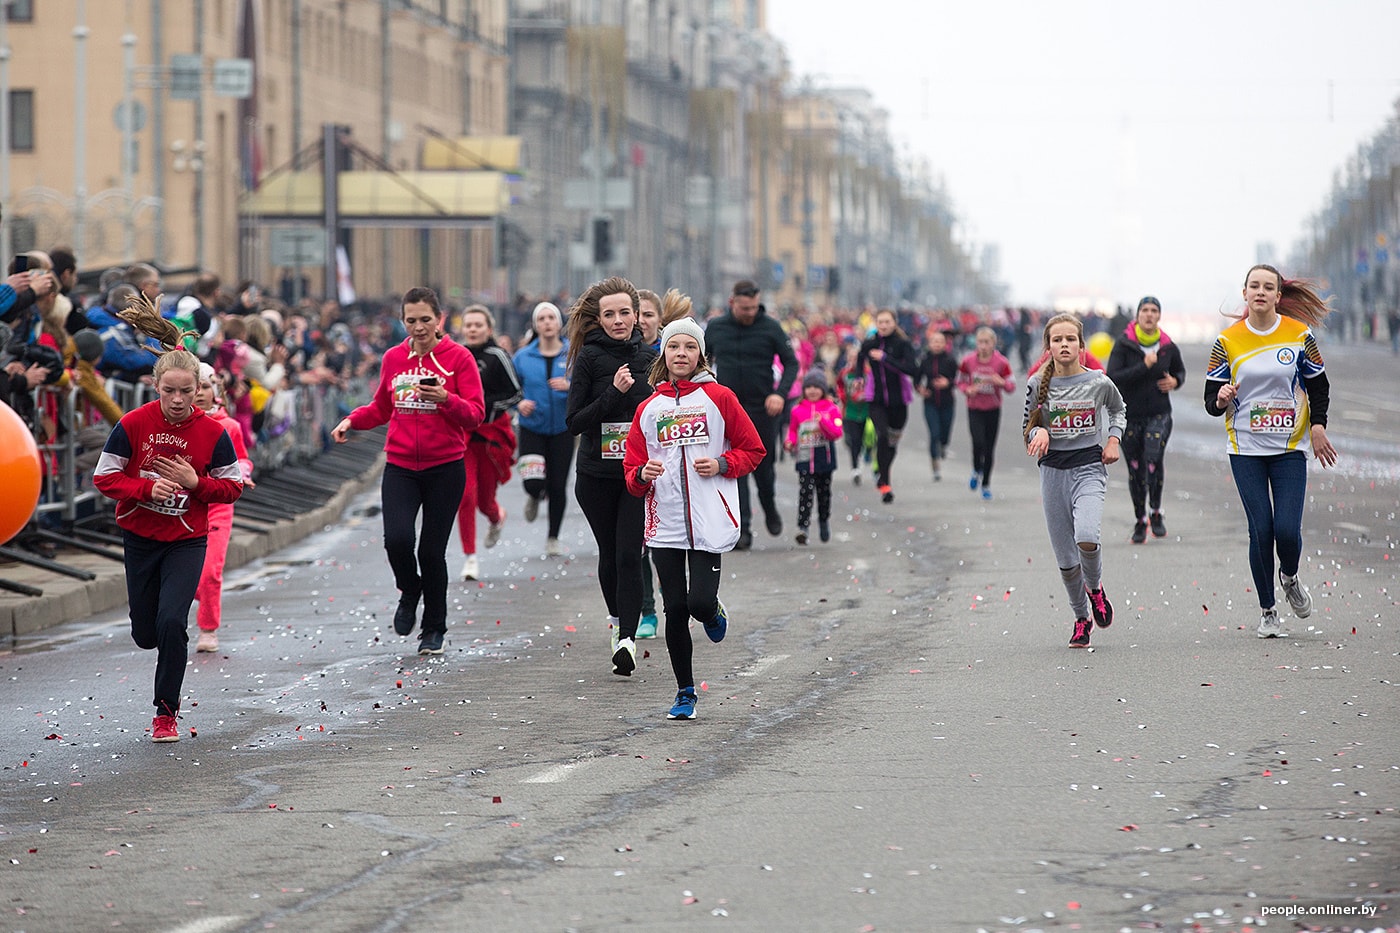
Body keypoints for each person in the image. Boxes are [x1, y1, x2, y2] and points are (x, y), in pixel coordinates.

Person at [92, 301, 244, 742]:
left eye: (186, 392)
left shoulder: (213, 433)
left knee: (172, 622)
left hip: (187, 540)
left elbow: (231, 488)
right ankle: (158, 640)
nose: (178, 401)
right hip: (140, 536)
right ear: (155, 387)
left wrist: (196, 483)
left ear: (199, 388)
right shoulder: (133, 423)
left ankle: (165, 713)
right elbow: (104, 477)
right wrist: (144, 489)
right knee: (145, 632)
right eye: (168, 392)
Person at [624, 303, 765, 719]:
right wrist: (643, 474)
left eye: (689, 347)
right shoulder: (649, 408)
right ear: (664, 355)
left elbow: (753, 449)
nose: (680, 353)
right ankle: (685, 692)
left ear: (700, 355)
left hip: (709, 518)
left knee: (699, 603)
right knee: (676, 609)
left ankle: (715, 610)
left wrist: (722, 464)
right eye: (673, 347)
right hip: (665, 520)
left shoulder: (720, 397)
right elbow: (632, 471)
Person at [332, 287, 485, 655]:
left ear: (440, 320)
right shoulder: (393, 358)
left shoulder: (458, 358)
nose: (418, 328)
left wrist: (446, 399)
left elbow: (476, 413)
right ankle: (409, 589)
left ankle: (434, 628)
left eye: (425, 320)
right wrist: (351, 421)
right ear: (403, 321)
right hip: (401, 466)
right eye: (411, 320)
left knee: (432, 552)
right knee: (397, 540)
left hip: (445, 467)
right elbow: (381, 407)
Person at [1204, 264, 1337, 639]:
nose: (1260, 292)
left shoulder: (1299, 335)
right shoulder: (1227, 341)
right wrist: (1221, 397)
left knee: (1287, 531)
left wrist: (1318, 427)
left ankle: (1290, 577)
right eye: (1254, 286)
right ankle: (1268, 611)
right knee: (1260, 529)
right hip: (1245, 447)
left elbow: (1319, 386)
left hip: (1289, 446)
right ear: (1245, 293)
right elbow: (1210, 402)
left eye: (1268, 287)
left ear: (1279, 295)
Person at [565, 277, 656, 676]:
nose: (618, 320)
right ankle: (619, 620)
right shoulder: (588, 358)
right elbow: (574, 421)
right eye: (609, 314)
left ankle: (627, 640)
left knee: (629, 554)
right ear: (598, 319)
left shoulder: (653, 358)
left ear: (636, 315)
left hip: (636, 474)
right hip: (596, 474)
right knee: (609, 553)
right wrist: (614, 394)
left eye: (624, 313)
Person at [1022, 313, 1126, 648]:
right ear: (1048, 346)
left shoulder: (1098, 381)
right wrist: (1038, 434)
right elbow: (1028, 427)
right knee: (1066, 559)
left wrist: (1113, 440)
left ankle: (1094, 589)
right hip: (1053, 472)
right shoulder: (1038, 384)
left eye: (1070, 339)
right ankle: (1081, 618)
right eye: (1057, 340)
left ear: (1081, 345)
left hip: (1088, 467)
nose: (1064, 345)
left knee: (1086, 535)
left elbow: (1119, 410)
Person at [702, 279, 798, 549]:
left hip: (763, 408)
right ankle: (743, 529)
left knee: (764, 469)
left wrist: (780, 394)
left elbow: (791, 362)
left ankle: (769, 508)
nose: (750, 313)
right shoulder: (717, 328)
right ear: (733, 302)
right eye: (745, 308)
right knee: (735, 468)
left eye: (754, 307)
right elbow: (704, 362)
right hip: (729, 409)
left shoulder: (770, 327)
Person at [1106, 296, 1186, 543]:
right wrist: (1144, 365)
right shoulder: (1124, 344)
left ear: (1159, 316)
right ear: (1138, 316)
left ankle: (1156, 512)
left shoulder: (1167, 346)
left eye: (1154, 311)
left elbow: (1179, 371)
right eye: (1145, 310)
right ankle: (1140, 520)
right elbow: (1114, 378)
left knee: (1153, 458)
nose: (1149, 315)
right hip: (1130, 415)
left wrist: (1176, 381)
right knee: (1136, 469)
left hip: (1159, 414)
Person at [192, 363, 255, 653]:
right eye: (195, 387)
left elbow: (242, 458)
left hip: (218, 505)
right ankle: (200, 595)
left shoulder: (229, 426)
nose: (200, 393)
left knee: (210, 572)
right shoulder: (175, 427)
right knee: (191, 576)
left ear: (216, 391)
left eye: (206, 386)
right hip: (183, 507)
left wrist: (242, 473)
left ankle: (208, 628)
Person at [456, 304, 521, 581]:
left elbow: (515, 393)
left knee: (485, 501)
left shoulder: (497, 356)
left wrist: (483, 408)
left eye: (477, 325)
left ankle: (497, 517)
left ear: (489, 329)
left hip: (491, 435)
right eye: (468, 325)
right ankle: (470, 557)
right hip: (462, 437)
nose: (472, 329)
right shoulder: (456, 356)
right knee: (465, 495)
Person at [513, 301, 572, 558]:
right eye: (542, 319)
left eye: (552, 318)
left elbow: (586, 385)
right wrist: (519, 403)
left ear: (559, 323)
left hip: (562, 427)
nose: (547, 323)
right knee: (533, 482)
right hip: (531, 427)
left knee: (558, 485)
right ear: (536, 325)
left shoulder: (572, 354)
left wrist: (570, 386)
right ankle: (535, 495)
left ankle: (553, 537)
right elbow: (511, 388)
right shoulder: (523, 356)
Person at [854, 310, 917, 503]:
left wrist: (885, 358)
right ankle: (885, 484)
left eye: (887, 322)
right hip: (877, 399)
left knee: (892, 442)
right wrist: (858, 377)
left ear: (894, 323)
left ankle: (882, 474)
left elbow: (912, 369)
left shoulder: (903, 344)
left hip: (899, 400)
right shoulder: (870, 342)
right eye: (880, 322)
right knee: (882, 435)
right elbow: (860, 358)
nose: (883, 325)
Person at [957, 325, 1016, 500]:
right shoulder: (968, 361)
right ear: (976, 343)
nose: (983, 346)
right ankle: (976, 469)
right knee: (978, 442)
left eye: (987, 342)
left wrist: (1001, 383)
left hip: (993, 409)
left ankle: (986, 484)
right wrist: (967, 389)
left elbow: (1011, 385)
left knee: (989, 448)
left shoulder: (1001, 362)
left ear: (993, 344)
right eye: (980, 342)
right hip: (974, 408)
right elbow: (960, 381)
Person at [634, 288, 664, 639]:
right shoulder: (618, 356)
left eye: (647, 315)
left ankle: (694, 594)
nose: (640, 321)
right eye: (635, 314)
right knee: (638, 536)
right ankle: (646, 610)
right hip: (636, 455)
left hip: (672, 457)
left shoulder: (673, 352)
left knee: (674, 538)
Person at [785, 370, 842, 544]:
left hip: (824, 460)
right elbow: (793, 431)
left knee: (824, 494)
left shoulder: (831, 409)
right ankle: (803, 528)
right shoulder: (797, 410)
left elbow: (836, 432)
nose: (812, 390)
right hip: (804, 460)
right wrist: (789, 442)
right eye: (808, 387)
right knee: (805, 494)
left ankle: (824, 521)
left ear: (823, 389)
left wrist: (823, 421)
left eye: (816, 387)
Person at [916, 327, 958, 481]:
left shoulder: (950, 360)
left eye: (940, 342)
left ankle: (944, 445)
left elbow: (958, 380)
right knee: (934, 433)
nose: (937, 344)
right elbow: (917, 378)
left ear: (945, 344)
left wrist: (948, 382)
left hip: (947, 402)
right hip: (930, 402)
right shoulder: (925, 360)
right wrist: (920, 389)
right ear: (929, 343)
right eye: (934, 341)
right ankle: (935, 466)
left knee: (945, 433)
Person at [836, 347, 870, 485]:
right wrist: (842, 396)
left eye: (856, 358)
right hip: (850, 411)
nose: (853, 361)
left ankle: (868, 455)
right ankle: (855, 467)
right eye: (851, 358)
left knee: (867, 439)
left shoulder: (868, 373)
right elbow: (839, 386)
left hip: (866, 411)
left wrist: (867, 396)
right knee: (853, 439)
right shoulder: (845, 373)